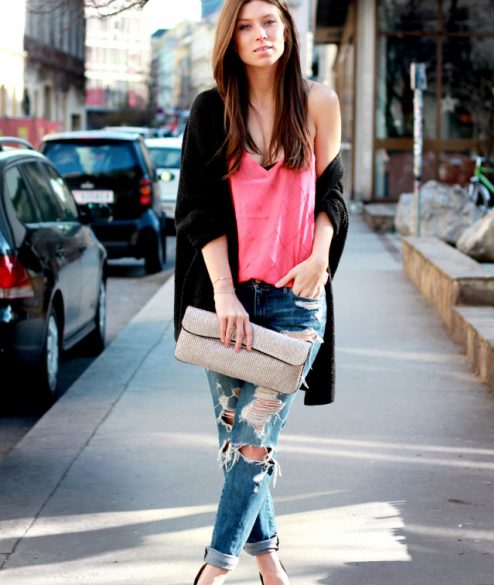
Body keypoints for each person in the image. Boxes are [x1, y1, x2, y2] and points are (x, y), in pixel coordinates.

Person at [174, 1, 348, 583]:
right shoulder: (210, 110)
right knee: (239, 443)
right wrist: (223, 292)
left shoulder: (318, 102)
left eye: (269, 22)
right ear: (231, 38)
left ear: (287, 28)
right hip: (229, 300)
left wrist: (321, 256)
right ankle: (272, 568)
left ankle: (212, 572)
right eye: (245, 26)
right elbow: (197, 211)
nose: (260, 35)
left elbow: (333, 193)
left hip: (295, 301)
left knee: (253, 440)